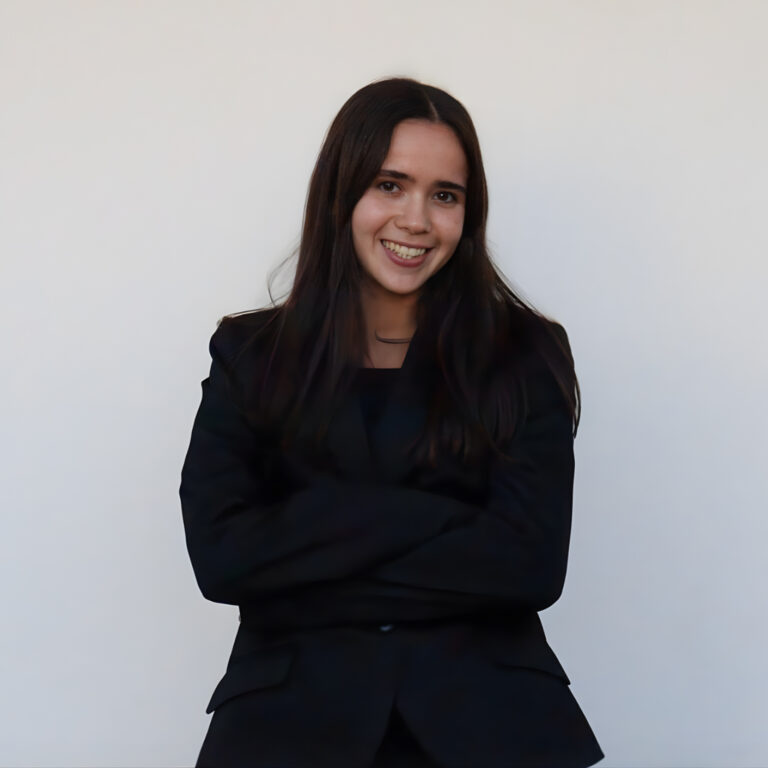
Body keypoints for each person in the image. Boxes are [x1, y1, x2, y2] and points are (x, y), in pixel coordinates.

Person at [179, 76, 605, 768]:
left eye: (446, 195)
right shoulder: (251, 354)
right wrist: (435, 519)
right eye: (390, 185)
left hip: (494, 729)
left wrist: (309, 542)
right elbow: (223, 558)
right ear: (341, 192)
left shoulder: (524, 354)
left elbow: (530, 566)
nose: (416, 219)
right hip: (285, 733)